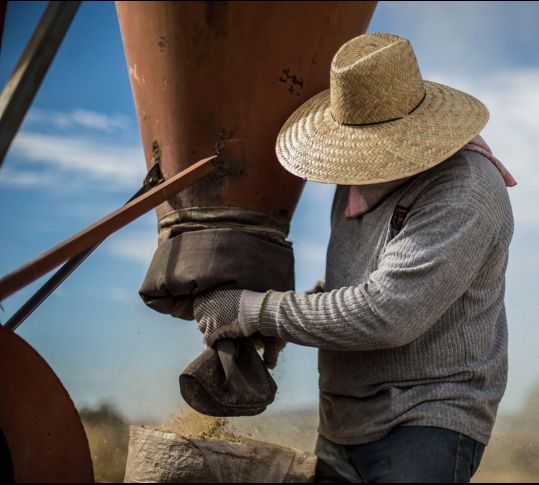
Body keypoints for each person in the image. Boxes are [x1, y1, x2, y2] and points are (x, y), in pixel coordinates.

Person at [192, 32, 515, 483]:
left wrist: (256, 311)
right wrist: (293, 318)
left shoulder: (464, 189)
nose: (362, 160)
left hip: (425, 421)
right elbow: (357, 281)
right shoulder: (358, 178)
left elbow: (388, 313)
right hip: (343, 421)